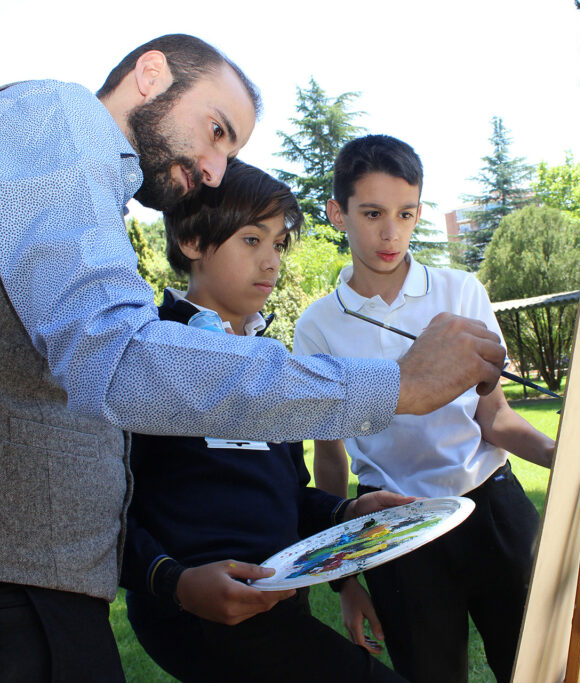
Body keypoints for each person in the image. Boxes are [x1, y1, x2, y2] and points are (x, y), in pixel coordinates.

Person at [0, 38, 506, 682]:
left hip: (29, 602)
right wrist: (394, 383)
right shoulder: (52, 115)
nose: (216, 169)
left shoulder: (78, 194)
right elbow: (124, 358)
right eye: (216, 130)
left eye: (232, 151)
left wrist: (337, 517)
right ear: (151, 74)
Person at [293, 135, 580, 683]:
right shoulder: (317, 326)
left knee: (538, 670)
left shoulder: (459, 292)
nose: (391, 233)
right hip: (396, 530)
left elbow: (495, 417)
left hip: (493, 509)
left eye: (405, 213)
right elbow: (330, 460)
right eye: (372, 213)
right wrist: (346, 578)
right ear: (338, 213)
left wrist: (569, 455)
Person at [120, 160, 410, 683]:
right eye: (252, 240)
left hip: (278, 600)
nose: (272, 262)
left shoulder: (268, 362)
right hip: (197, 613)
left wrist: (348, 509)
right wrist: (174, 582)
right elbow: (105, 510)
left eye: (277, 244)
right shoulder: (147, 354)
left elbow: (288, 496)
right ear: (191, 239)